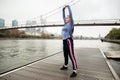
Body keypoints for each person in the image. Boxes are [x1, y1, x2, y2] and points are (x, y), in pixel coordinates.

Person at [60, 5, 78, 78]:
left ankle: (75, 70)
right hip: (64, 41)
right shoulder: (65, 23)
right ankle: (65, 65)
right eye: (66, 18)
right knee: (65, 54)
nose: (66, 18)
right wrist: (63, 9)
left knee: (71, 55)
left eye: (67, 18)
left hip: (68, 40)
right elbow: (63, 16)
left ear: (70, 19)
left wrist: (68, 6)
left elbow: (70, 14)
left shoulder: (71, 24)